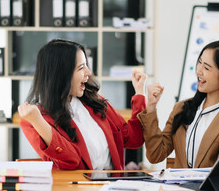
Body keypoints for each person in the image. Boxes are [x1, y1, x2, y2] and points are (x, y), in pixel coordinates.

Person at [18, 39, 147, 170]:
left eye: (86, 65)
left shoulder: (96, 103)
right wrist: (38, 121)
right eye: (81, 68)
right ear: (61, 75)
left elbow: (134, 138)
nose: (88, 72)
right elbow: (71, 160)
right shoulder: (34, 121)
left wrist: (140, 93)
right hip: (77, 189)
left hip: (111, 187)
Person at [138, 40, 219, 168]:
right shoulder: (181, 108)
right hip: (178, 187)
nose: (199, 71)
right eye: (199, 62)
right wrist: (151, 107)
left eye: (206, 68)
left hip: (210, 188)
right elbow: (156, 155)